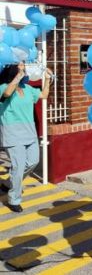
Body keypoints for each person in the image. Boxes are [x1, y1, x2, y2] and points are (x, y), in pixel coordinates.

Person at [0, 62, 52, 213]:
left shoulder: (27, 89)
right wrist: (17, 77)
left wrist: (47, 80)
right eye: (21, 68)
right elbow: (7, 94)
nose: (25, 71)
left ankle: (10, 182)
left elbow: (44, 95)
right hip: (12, 135)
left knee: (33, 161)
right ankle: (14, 199)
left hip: (30, 133)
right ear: (13, 72)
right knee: (18, 166)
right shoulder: (3, 87)